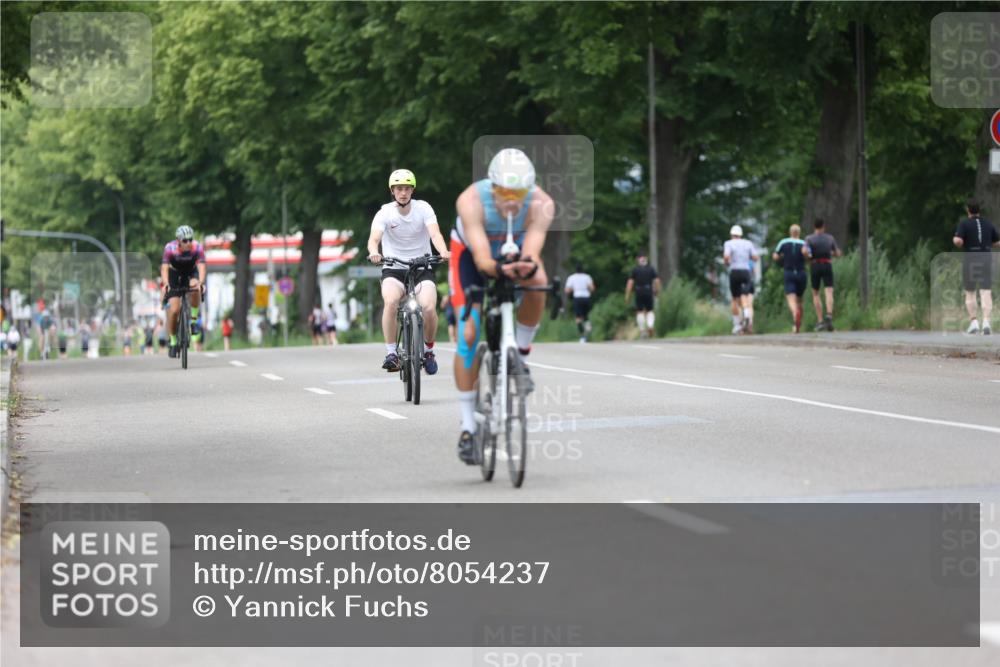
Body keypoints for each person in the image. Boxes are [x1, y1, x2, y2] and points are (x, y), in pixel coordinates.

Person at [449, 148, 555, 464]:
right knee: (468, 334)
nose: (511, 200)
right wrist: (497, 269)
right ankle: (468, 427)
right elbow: (483, 259)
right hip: (471, 256)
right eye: (504, 192)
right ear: (492, 187)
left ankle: (520, 356)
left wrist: (527, 268)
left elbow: (532, 254)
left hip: (513, 250)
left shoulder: (542, 204)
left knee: (538, 281)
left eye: (518, 193)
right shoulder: (471, 200)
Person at [367, 168, 450, 374]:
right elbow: (374, 239)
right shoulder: (385, 212)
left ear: (412, 190)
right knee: (390, 302)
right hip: (393, 268)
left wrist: (443, 251)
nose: (403, 192)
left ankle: (428, 351)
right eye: (398, 189)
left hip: (421, 267)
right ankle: (391, 353)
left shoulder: (424, 208)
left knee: (429, 307)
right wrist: (374, 252)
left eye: (406, 188)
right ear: (392, 191)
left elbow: (435, 234)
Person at [953, 200, 999, 335]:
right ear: (979, 210)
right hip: (986, 259)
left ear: (968, 210)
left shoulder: (964, 223)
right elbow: (997, 242)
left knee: (970, 291)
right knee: (986, 291)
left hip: (971, 260)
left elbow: (958, 241)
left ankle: (974, 323)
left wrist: (956, 240)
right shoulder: (988, 223)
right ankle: (986, 322)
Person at [160, 225, 206, 358]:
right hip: (174, 274)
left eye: (190, 239)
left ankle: (193, 321)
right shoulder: (170, 248)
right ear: (178, 241)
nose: (189, 243)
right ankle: (173, 341)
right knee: (174, 310)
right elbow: (164, 268)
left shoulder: (197, 247)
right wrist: (166, 284)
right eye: (185, 240)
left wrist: (201, 282)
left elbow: (202, 267)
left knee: (195, 287)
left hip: (191, 272)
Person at [803, 218, 842, 332]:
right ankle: (829, 315)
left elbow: (804, 251)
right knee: (829, 291)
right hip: (827, 264)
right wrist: (832, 253)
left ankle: (820, 321)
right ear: (823, 226)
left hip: (815, 265)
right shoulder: (830, 238)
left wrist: (808, 256)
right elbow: (837, 253)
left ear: (814, 226)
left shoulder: (809, 238)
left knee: (815, 293)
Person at [723, 225, 759, 334]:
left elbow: (726, 256)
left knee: (735, 298)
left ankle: (737, 324)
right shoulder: (748, 243)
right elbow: (755, 257)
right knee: (744, 295)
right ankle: (747, 314)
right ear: (741, 235)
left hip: (734, 271)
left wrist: (727, 263)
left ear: (731, 234)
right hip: (745, 272)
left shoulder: (728, 243)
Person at [772, 224, 808, 333]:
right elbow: (808, 255)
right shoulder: (804, 243)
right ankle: (796, 325)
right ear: (799, 232)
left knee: (791, 298)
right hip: (801, 273)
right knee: (800, 300)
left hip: (789, 272)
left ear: (790, 232)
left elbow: (775, 256)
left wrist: (781, 257)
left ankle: (795, 313)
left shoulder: (783, 242)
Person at [624, 252, 661, 338]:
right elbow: (657, 281)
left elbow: (630, 283)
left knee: (639, 311)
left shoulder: (635, 270)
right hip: (648, 291)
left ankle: (642, 330)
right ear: (646, 259)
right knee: (650, 310)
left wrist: (627, 295)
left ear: (638, 260)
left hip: (638, 291)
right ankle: (650, 326)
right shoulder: (651, 269)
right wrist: (657, 291)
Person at [565, 263, 596, 343]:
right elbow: (592, 288)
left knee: (578, 318)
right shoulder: (587, 277)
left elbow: (567, 290)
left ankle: (582, 336)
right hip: (586, 297)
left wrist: (573, 290)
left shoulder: (572, 277)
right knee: (585, 316)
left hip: (577, 298)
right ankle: (588, 328)